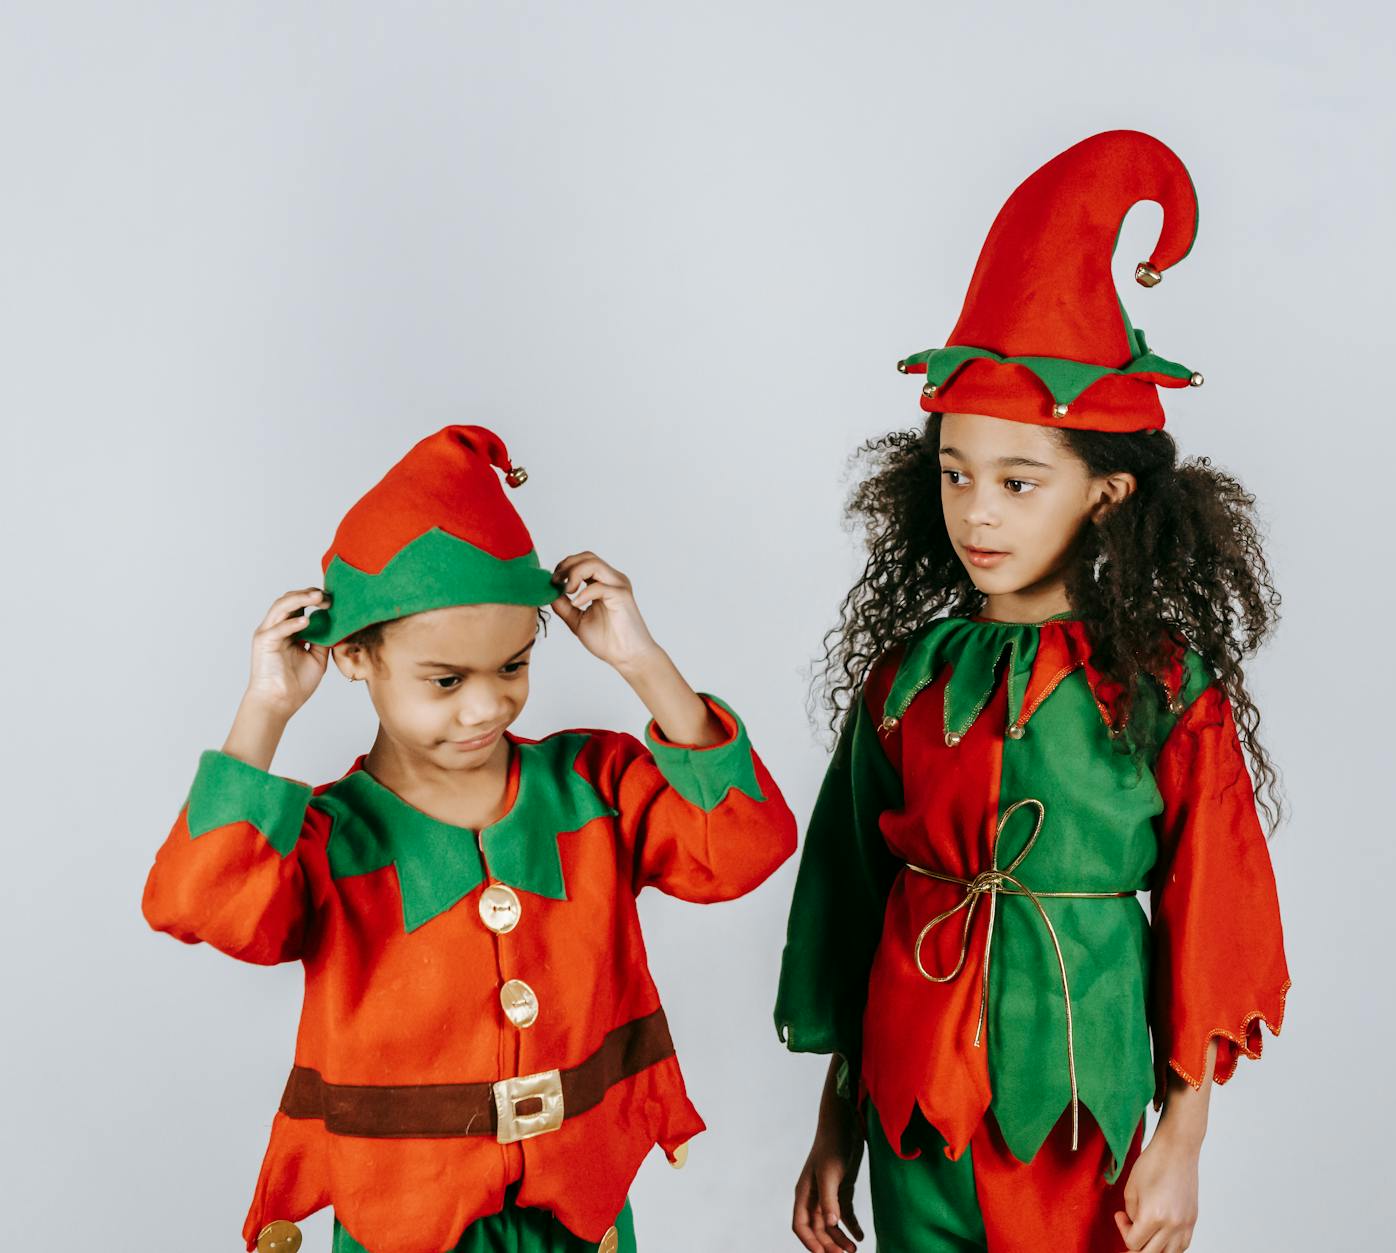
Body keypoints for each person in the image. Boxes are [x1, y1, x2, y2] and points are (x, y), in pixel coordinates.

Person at [775, 131, 1292, 1253]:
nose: (978, 513)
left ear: (1106, 494)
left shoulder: (1162, 687)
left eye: (1018, 481)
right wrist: (833, 1122)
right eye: (956, 473)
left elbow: (1213, 921)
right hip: (911, 1103)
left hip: (1075, 1105)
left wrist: (1182, 1139)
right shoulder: (907, 681)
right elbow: (852, 901)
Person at [143, 425, 797, 1253]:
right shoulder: (328, 839)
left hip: (580, 1218)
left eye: (515, 667)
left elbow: (744, 844)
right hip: (400, 1226)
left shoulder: (593, 787)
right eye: (446, 681)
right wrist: (264, 710)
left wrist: (642, 661)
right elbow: (196, 904)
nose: (486, 707)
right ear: (350, 654)